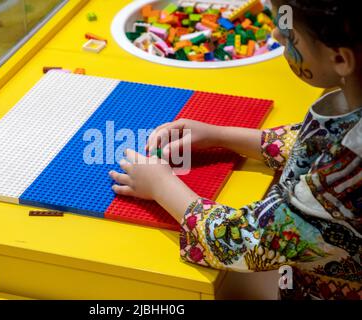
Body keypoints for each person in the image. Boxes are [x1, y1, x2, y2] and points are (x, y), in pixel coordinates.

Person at [109, 0, 361, 300]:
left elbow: (245, 243)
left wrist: (160, 184)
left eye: (287, 31)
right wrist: (220, 135)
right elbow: (313, 142)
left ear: (340, 59)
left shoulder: (341, 178)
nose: (277, 37)